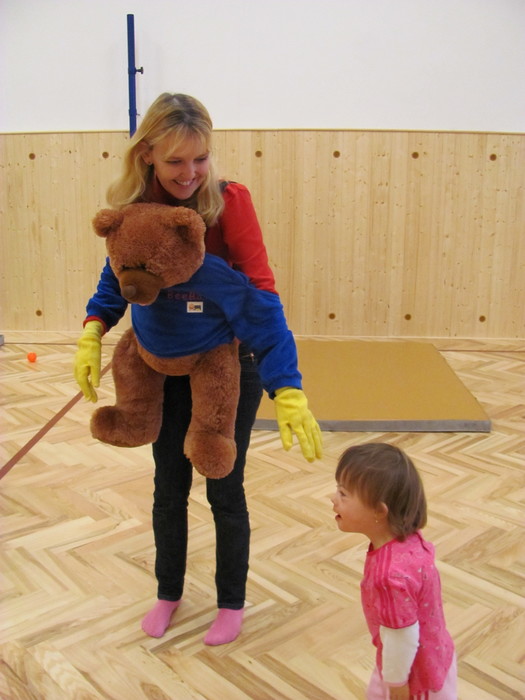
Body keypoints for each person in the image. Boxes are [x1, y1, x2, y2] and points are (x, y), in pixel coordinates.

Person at [74, 93, 322, 646]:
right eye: (175, 161)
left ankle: (231, 601)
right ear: (146, 155)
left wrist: (286, 385)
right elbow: (117, 278)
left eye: (201, 158)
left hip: (226, 363)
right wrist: (93, 330)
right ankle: (169, 592)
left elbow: (261, 295)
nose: (190, 173)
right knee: (168, 487)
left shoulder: (229, 202)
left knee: (223, 487)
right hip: (160, 366)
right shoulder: (133, 208)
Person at [331, 443, 456, 700]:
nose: (333, 499)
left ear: (379, 510)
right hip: (433, 656)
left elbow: (402, 637)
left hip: (413, 677)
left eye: (343, 494)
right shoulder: (407, 540)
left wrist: (397, 685)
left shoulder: (389, 577)